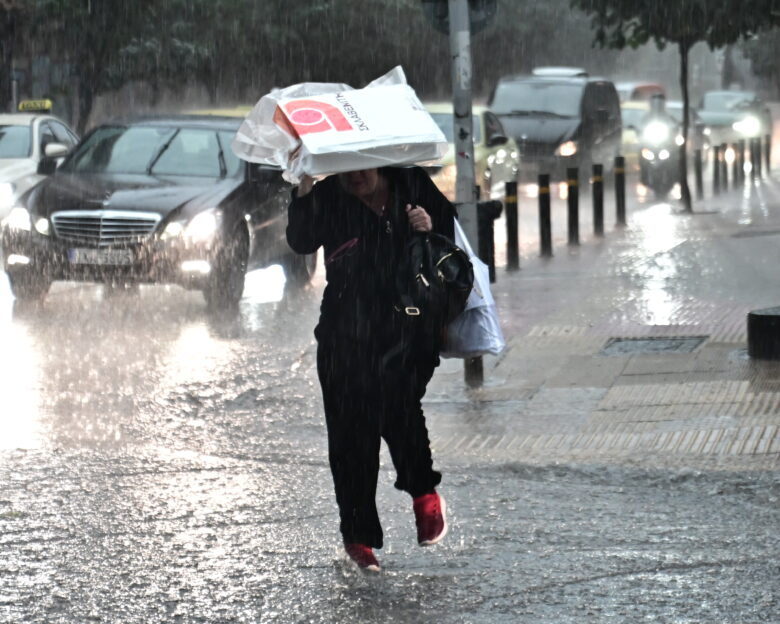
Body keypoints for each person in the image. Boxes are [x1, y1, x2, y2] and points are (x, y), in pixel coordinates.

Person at [286, 166, 456, 572]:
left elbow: (451, 238)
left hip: (409, 325)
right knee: (350, 435)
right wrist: (304, 189)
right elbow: (301, 241)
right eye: (345, 167)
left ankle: (423, 491)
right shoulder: (327, 194)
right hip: (345, 331)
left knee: (399, 411)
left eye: (362, 166)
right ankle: (358, 535)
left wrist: (428, 226)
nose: (355, 175)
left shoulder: (410, 183)